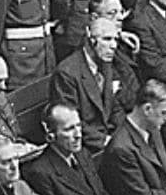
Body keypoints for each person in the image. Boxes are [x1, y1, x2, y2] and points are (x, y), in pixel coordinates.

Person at [49, 16, 126, 152]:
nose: (114, 46)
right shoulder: (67, 73)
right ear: (90, 40)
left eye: (116, 40)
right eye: (107, 39)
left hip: (108, 137)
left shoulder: (105, 64)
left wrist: (127, 133)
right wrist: (105, 141)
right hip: (85, 144)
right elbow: (70, 122)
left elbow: (114, 107)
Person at [87, 0, 141, 112]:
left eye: (121, 12)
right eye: (112, 13)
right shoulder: (93, 52)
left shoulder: (122, 45)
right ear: (94, 18)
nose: (120, 18)